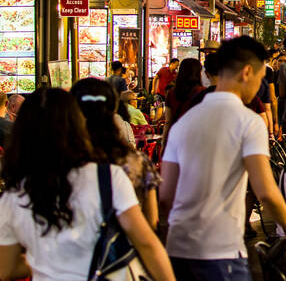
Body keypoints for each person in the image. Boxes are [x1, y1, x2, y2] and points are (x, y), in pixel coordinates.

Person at [160, 37, 286, 279]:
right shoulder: (248, 122)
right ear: (247, 72)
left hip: (178, 251)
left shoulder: (184, 123)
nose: (259, 85)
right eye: (260, 78)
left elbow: (165, 195)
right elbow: (265, 191)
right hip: (221, 252)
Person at [0, 88, 174, 281]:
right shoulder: (108, 176)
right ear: (77, 126)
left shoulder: (12, 197)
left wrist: (43, 260)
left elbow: (6, 269)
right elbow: (147, 244)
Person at [72, 78, 161, 229]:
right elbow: (151, 221)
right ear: (113, 109)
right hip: (128, 245)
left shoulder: (62, 161)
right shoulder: (136, 163)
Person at [165, 58, 205, 129]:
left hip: (175, 134)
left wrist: (164, 139)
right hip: (194, 134)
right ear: (198, 73)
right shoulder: (203, 92)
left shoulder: (171, 93)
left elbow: (168, 121)